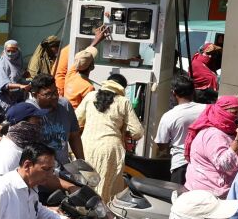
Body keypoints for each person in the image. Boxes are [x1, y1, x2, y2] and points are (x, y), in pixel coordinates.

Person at [76, 73, 144, 202]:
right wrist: (124, 131)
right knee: (107, 186)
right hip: (110, 149)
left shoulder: (90, 97)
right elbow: (138, 132)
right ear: (122, 88)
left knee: (86, 182)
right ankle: (105, 216)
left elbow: (76, 120)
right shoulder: (123, 102)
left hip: (86, 145)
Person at [183, 95, 238, 197]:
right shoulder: (213, 134)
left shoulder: (229, 132)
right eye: (234, 112)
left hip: (227, 194)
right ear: (221, 111)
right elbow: (225, 165)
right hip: (209, 197)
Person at [154, 74, 206, 184]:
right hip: (203, 163)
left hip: (181, 164)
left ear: (174, 93)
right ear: (193, 91)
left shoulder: (169, 116)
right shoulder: (206, 110)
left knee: (178, 198)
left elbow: (161, 145)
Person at [28, 74, 84, 166]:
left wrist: (82, 163)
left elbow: (74, 136)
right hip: (41, 170)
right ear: (35, 95)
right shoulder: (29, 111)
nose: (54, 97)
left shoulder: (65, 105)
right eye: (48, 94)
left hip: (63, 167)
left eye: (55, 92)